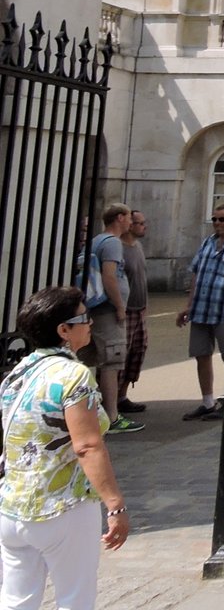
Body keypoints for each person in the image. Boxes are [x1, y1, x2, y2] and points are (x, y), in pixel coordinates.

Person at [0, 286, 130, 607]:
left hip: (13, 506)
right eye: (84, 318)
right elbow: (86, 445)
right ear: (63, 331)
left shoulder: (17, 373)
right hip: (63, 505)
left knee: (17, 600)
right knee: (75, 598)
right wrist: (115, 506)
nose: (91, 325)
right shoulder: (73, 375)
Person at [80, 204, 141, 434]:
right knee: (111, 363)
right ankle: (111, 416)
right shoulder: (113, 242)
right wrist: (119, 306)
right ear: (119, 218)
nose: (130, 224)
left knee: (91, 359)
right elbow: (109, 276)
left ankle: (91, 411)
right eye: (128, 218)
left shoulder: (97, 240)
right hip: (106, 309)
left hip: (94, 308)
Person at [176, 201, 224, 421]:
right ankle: (207, 401)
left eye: (222, 219)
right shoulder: (207, 243)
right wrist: (189, 305)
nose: (217, 223)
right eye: (214, 219)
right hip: (202, 307)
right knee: (201, 354)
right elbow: (196, 273)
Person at [117, 206, 150, 417]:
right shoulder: (117, 247)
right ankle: (109, 401)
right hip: (125, 309)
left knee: (137, 353)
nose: (144, 227)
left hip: (140, 309)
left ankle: (122, 396)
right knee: (120, 355)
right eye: (140, 223)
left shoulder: (137, 246)